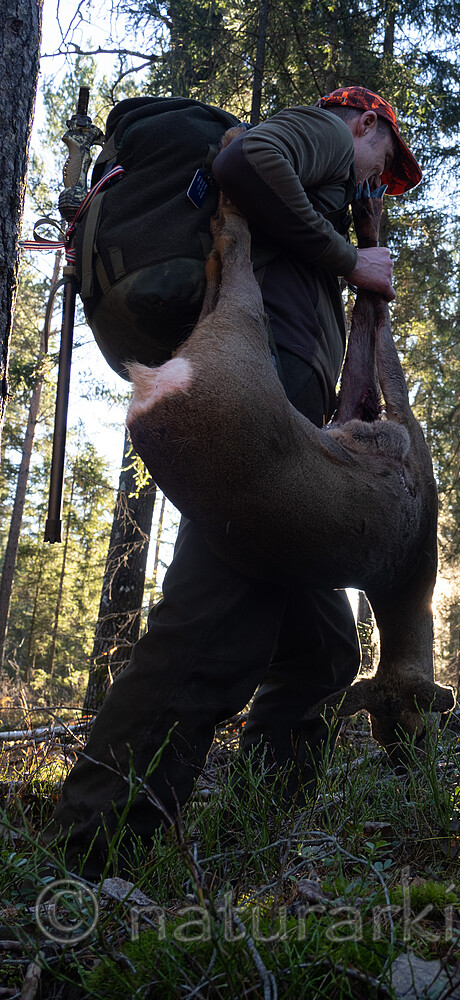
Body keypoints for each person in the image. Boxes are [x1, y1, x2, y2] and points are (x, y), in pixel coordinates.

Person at [43, 87, 422, 881]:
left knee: (322, 650)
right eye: (383, 164)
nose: (375, 185)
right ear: (367, 123)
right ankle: (86, 856)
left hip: (271, 397)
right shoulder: (326, 133)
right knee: (217, 623)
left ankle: (259, 837)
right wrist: (351, 259)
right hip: (258, 388)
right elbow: (247, 158)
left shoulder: (321, 186)